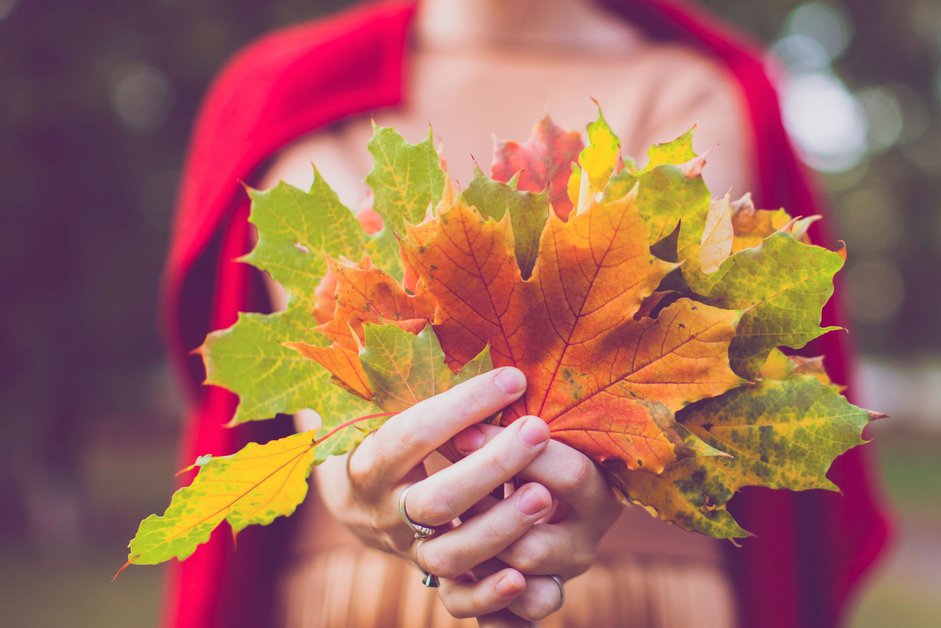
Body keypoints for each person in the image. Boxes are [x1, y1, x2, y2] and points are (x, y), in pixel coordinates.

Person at [162, 1, 891, 626]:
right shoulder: (293, 93)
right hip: (365, 601)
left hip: (640, 603)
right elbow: (331, 360)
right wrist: (355, 479)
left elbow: (679, 357)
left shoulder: (702, 92)